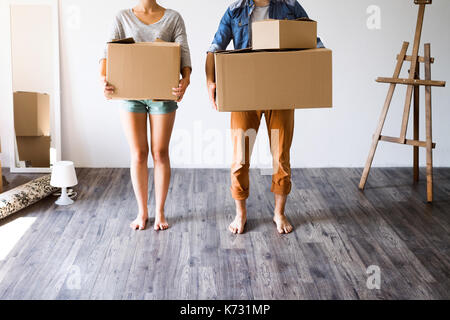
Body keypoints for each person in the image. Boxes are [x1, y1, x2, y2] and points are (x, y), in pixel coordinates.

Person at [205, 0, 323, 234]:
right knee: (240, 158)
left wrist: (317, 69)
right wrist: (210, 81)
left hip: (281, 92)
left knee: (280, 156)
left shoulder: (290, 7)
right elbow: (214, 48)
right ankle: (241, 214)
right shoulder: (235, 10)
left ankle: (279, 213)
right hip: (244, 94)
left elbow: (313, 41)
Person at [100, 0, 192, 231]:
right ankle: (142, 211)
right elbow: (107, 55)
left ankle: (160, 212)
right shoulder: (122, 17)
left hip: (163, 95)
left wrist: (185, 82)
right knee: (139, 153)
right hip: (131, 95)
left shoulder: (173, 18)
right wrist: (103, 80)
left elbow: (184, 57)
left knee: (160, 153)